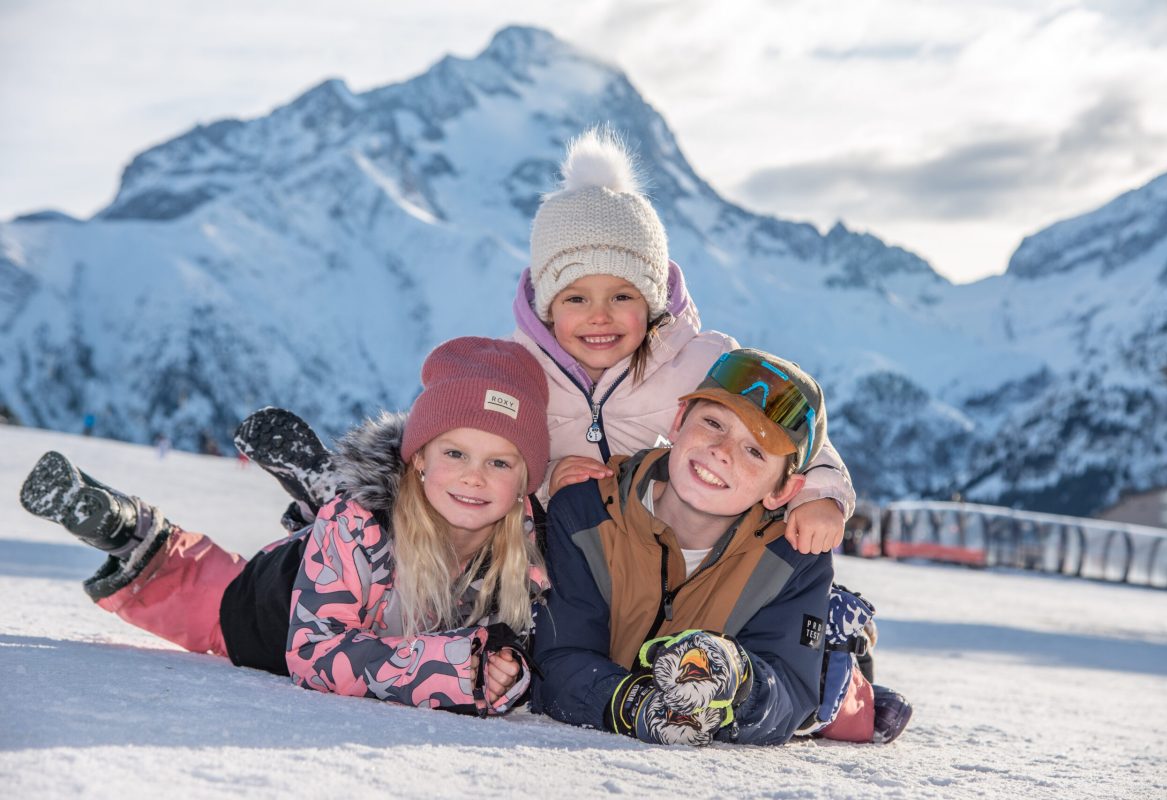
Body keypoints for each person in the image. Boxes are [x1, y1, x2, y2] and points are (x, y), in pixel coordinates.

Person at [18, 337, 551, 716]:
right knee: (204, 596)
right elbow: (315, 655)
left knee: (352, 530)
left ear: (525, 481)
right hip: (276, 604)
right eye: (455, 452)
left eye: (500, 463)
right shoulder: (356, 527)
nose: (475, 478)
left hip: (357, 563)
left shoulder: (527, 546)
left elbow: (530, 643)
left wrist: (505, 669)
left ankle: (322, 498)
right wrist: (457, 669)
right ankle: (130, 532)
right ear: (417, 459)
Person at [531, 347, 912, 746]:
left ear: (783, 490)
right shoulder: (586, 513)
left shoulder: (790, 559)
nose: (722, 451)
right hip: (626, 681)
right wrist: (633, 705)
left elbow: (789, 691)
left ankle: (844, 663)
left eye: (754, 451)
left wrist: (737, 684)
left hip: (784, 638)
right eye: (713, 423)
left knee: (823, 693)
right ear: (678, 421)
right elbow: (557, 660)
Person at [512, 128, 853, 555]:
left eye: (622, 296)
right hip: (568, 570)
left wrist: (819, 495)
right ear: (547, 307)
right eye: (576, 298)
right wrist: (547, 480)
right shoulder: (518, 375)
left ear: (652, 302)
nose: (600, 316)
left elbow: (797, 430)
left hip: (683, 565)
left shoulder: (705, 363)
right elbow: (488, 462)